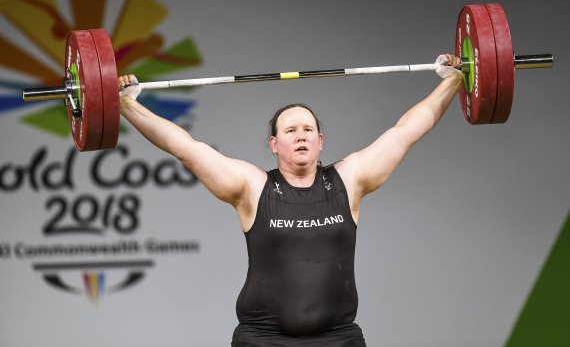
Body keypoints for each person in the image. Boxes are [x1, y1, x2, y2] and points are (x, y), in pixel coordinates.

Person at [118, 54, 463, 347]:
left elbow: (406, 131)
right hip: (263, 339)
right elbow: (184, 148)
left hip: (338, 338)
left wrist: (453, 80)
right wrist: (125, 104)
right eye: (290, 130)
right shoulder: (251, 187)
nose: (300, 136)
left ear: (321, 141)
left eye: (308, 129)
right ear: (274, 144)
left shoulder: (350, 180)